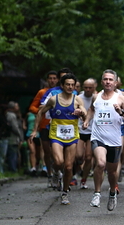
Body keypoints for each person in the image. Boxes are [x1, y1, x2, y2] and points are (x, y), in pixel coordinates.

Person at [84, 69, 124, 211]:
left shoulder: (120, 98)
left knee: (112, 172)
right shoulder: (96, 97)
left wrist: (121, 112)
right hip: (98, 137)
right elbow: (91, 109)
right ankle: (96, 193)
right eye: (105, 79)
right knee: (100, 163)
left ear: (115, 83)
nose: (108, 82)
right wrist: (87, 120)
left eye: (110, 79)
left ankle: (112, 193)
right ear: (102, 81)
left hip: (114, 140)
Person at [30, 73, 86, 205]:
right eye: (67, 84)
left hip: (72, 136)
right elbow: (40, 112)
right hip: (56, 135)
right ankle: (55, 172)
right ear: (62, 85)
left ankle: (65, 192)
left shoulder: (77, 99)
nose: (70, 87)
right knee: (59, 161)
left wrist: (82, 114)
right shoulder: (54, 99)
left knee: (68, 167)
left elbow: (85, 112)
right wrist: (34, 130)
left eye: (72, 85)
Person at [72, 78, 98, 189]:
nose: (87, 90)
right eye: (85, 87)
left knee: (88, 157)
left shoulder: (98, 98)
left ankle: (84, 179)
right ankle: (75, 171)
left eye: (90, 88)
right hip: (80, 129)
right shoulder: (78, 98)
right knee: (78, 156)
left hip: (92, 131)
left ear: (95, 87)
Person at [5, 101, 24, 172]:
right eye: (16, 106)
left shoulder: (15, 115)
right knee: (12, 154)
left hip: (15, 138)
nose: (18, 108)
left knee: (15, 154)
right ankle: (13, 169)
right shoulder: (11, 115)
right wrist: (20, 135)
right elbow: (14, 127)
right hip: (13, 138)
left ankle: (14, 168)